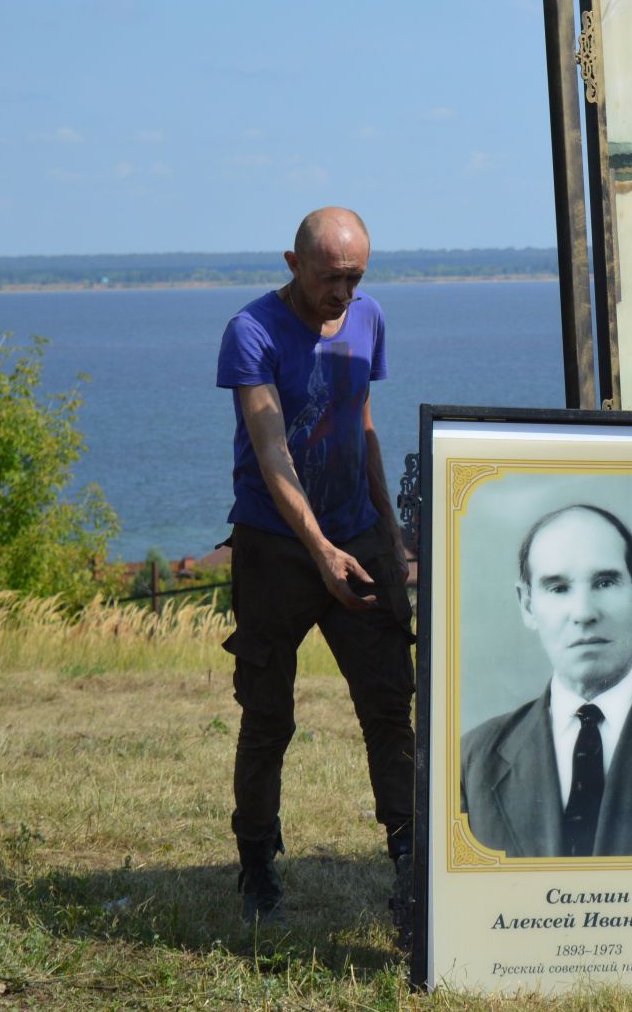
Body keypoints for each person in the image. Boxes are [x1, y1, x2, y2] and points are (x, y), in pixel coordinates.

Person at [216, 207, 414, 925]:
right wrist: (318, 549)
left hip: (357, 535)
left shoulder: (369, 319)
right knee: (267, 715)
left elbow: (359, 422)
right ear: (293, 263)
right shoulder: (253, 332)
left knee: (391, 707)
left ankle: (410, 863)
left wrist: (387, 532)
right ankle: (256, 862)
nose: (343, 293)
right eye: (331, 278)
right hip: (275, 545)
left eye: (355, 278)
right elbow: (272, 452)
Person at [459, 504, 632, 858]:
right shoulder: (474, 760)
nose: (583, 613)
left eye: (605, 582)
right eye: (558, 588)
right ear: (527, 605)